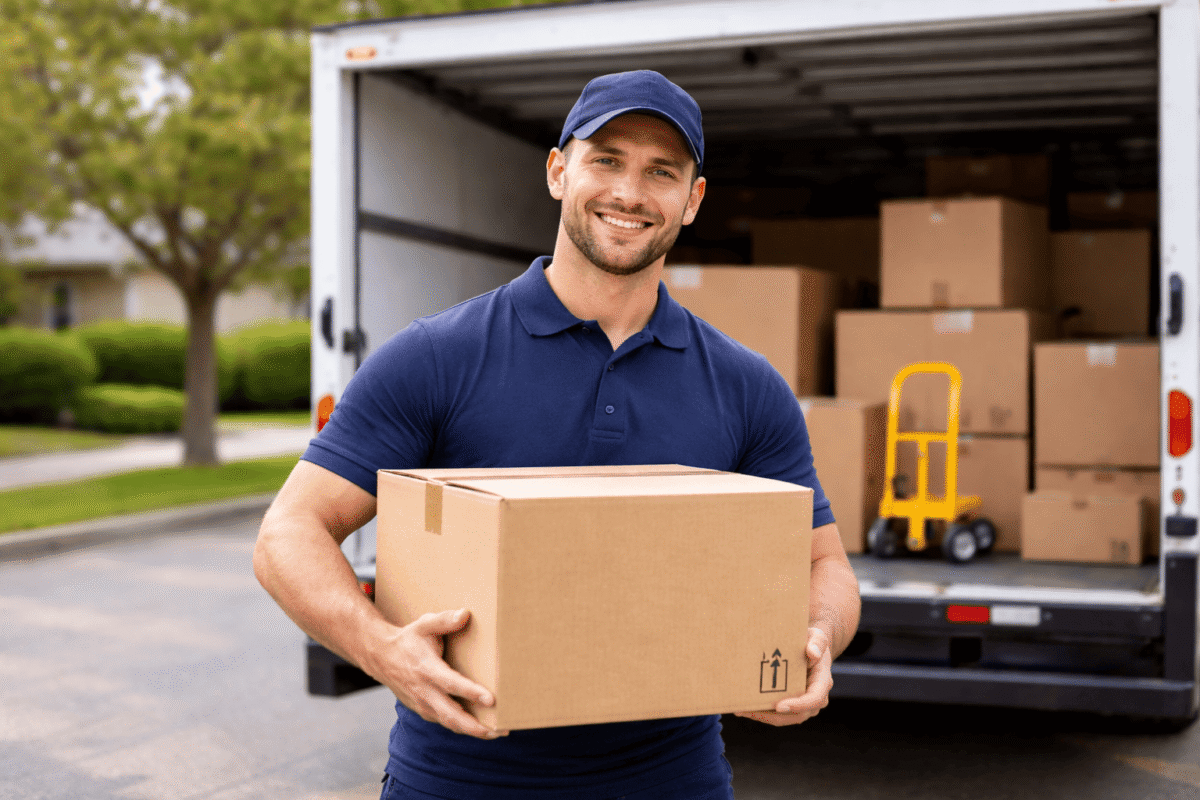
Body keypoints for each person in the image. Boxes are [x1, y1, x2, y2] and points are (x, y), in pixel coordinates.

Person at [254, 70, 861, 800]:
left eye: (661, 172)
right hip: (462, 777)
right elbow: (288, 534)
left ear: (692, 201)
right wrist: (383, 650)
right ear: (558, 171)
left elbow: (825, 562)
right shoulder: (437, 357)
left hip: (671, 780)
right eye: (606, 159)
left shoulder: (745, 385)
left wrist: (817, 637)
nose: (630, 193)